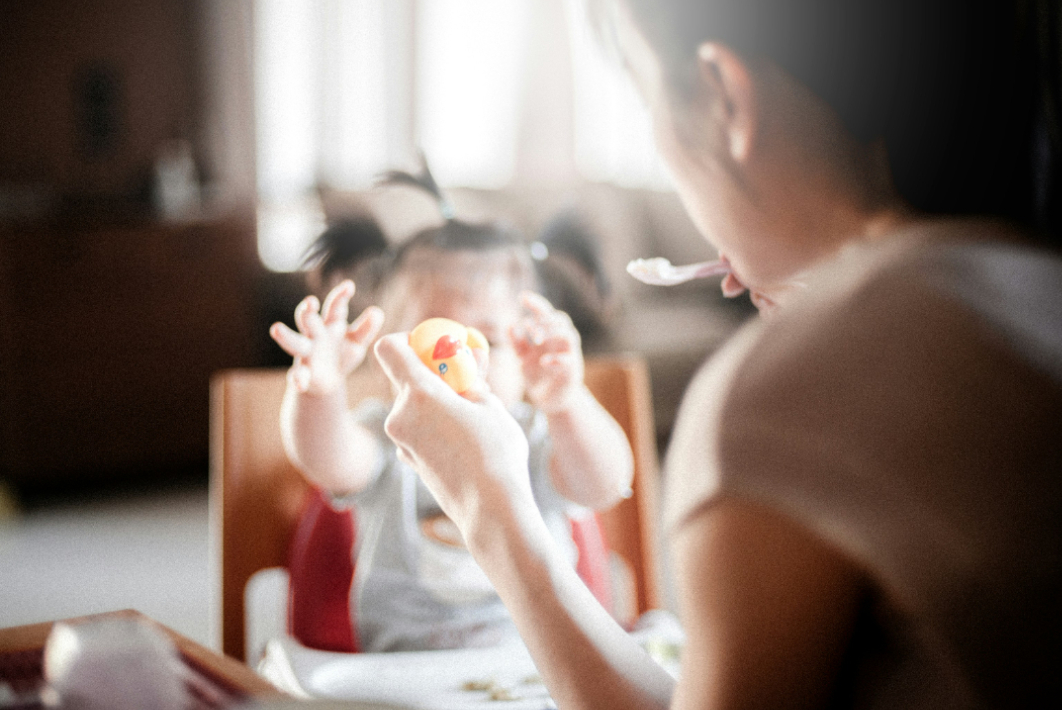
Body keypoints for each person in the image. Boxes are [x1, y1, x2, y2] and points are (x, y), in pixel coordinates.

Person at [370, 0, 1062, 707]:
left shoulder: (781, 396)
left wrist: (493, 511)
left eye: (644, 99)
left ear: (725, 95)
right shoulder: (1035, 287)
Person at [268, 166, 634, 653]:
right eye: (435, 342)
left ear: (526, 356)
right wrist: (321, 390)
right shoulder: (388, 435)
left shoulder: (537, 438)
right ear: (386, 351)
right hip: (405, 674)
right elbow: (325, 457)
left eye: (489, 341)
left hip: (540, 668)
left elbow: (605, 483)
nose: (461, 364)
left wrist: (566, 401)